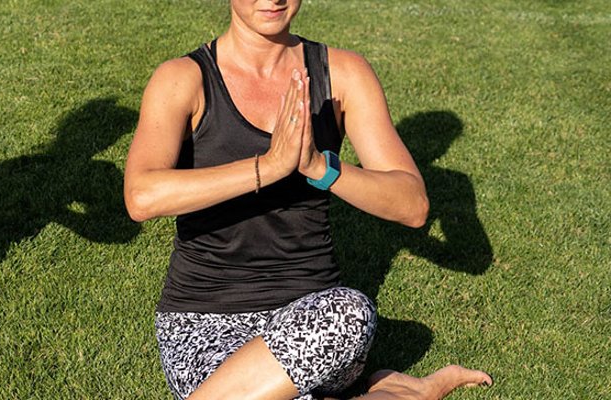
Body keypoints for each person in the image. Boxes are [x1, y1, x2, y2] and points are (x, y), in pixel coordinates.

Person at [122, 1, 491, 399]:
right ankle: (403, 392)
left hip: (320, 324)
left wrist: (320, 168)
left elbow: (413, 205)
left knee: (352, 312)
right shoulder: (181, 79)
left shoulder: (345, 74)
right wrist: (269, 166)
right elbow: (141, 196)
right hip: (203, 321)